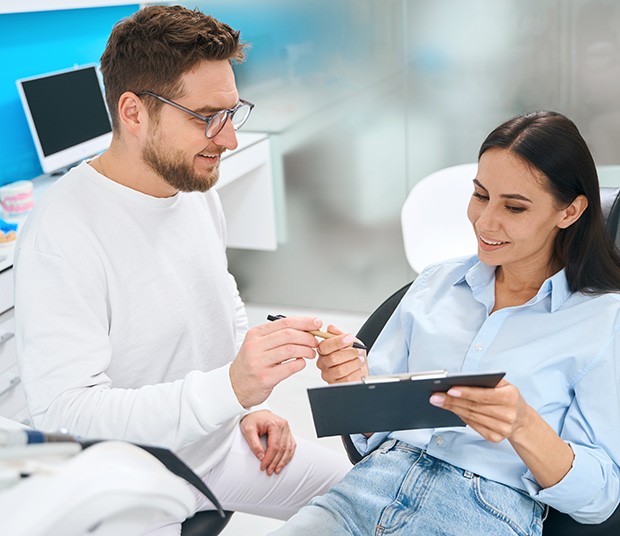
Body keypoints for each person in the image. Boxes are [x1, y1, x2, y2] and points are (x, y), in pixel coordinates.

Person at [14, 5, 351, 534]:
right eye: (205, 118)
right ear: (133, 113)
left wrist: (240, 408)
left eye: (231, 113)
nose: (229, 139)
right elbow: (66, 415)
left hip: (221, 445)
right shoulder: (62, 234)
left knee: (377, 498)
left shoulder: (189, 183)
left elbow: (221, 296)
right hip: (133, 469)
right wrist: (229, 391)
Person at [272, 110, 620, 535]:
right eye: (480, 195)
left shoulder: (603, 320)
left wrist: (523, 425)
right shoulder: (436, 283)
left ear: (570, 212)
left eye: (514, 207)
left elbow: (599, 500)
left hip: (484, 511)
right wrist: (351, 384)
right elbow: (370, 435)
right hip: (370, 487)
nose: (485, 222)